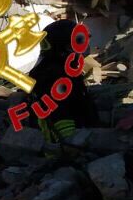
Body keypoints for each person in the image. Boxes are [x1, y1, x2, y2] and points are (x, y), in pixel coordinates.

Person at [27, 18, 100, 157]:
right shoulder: (54, 74)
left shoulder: (58, 68)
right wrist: (72, 144)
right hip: (62, 150)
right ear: (63, 46)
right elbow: (60, 112)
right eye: (77, 41)